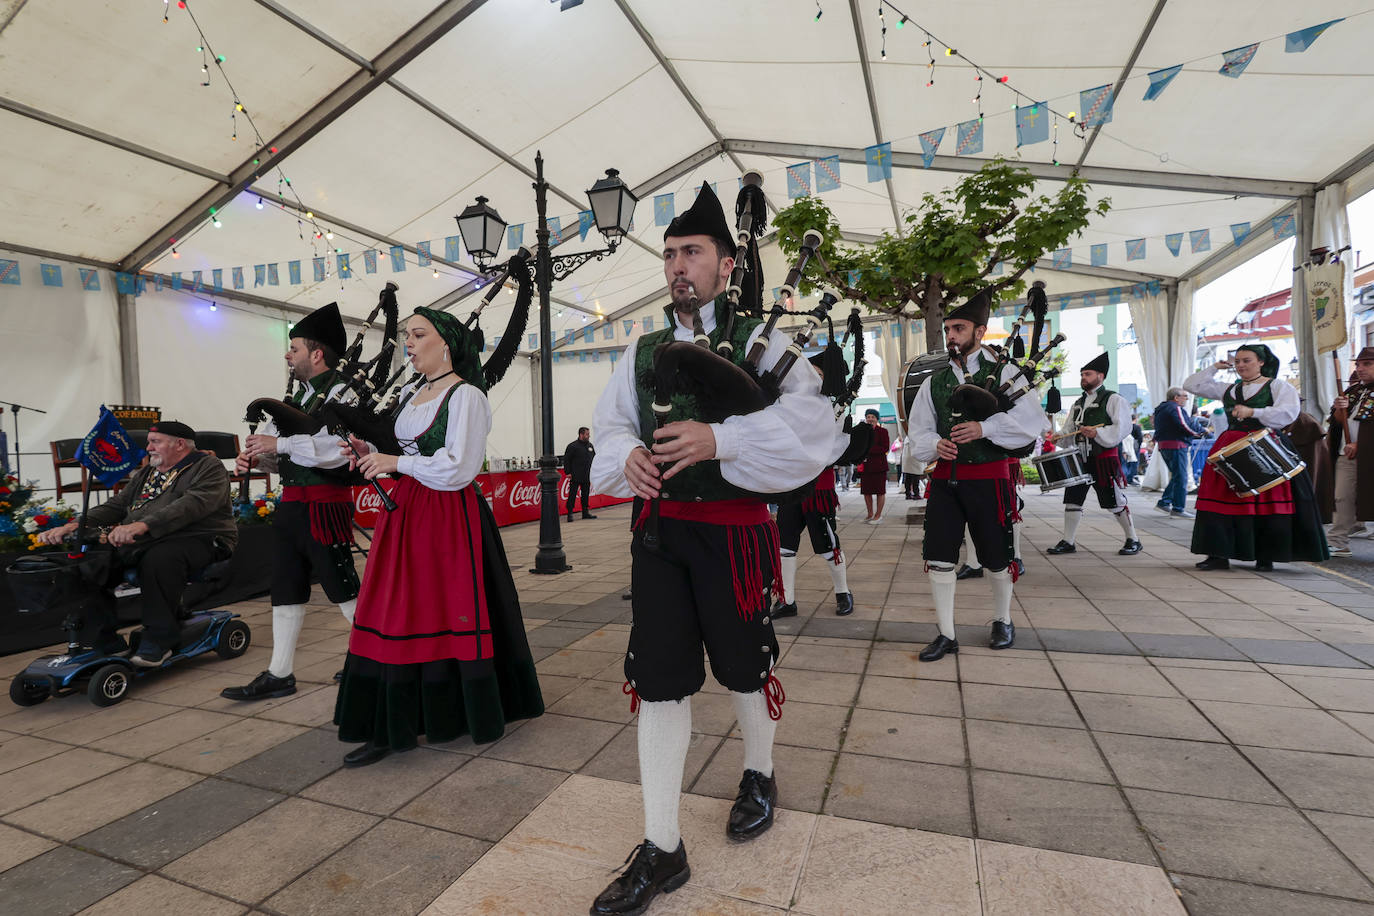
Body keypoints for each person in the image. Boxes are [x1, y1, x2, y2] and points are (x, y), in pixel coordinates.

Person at [588, 182, 842, 916]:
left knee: (741, 667)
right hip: (659, 535)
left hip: (734, 538)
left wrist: (721, 439)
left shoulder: (768, 347)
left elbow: (813, 434)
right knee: (660, 679)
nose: (677, 266)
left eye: (692, 252)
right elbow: (609, 427)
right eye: (669, 254)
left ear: (727, 266)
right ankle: (662, 847)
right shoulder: (640, 349)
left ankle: (759, 773)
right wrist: (627, 455)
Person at [333, 307, 544, 768]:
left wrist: (396, 464)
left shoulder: (466, 395)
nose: (408, 342)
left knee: (430, 610)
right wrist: (372, 452)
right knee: (395, 608)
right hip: (407, 513)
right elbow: (407, 450)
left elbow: (459, 467)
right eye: (407, 334)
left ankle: (424, 719)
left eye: (417, 334)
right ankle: (395, 719)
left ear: (445, 343)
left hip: (446, 516)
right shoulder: (413, 394)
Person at [222, 303, 361, 701]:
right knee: (285, 587)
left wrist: (278, 443)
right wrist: (259, 457)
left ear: (316, 353)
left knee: (342, 586)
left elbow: (340, 449)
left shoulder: (344, 393)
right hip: (292, 506)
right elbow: (284, 455)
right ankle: (280, 672)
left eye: (294, 347)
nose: (288, 354)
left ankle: (370, 659)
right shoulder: (296, 396)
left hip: (324, 506)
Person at [908, 291, 1044, 662]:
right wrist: (935, 444)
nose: (951, 335)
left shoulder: (1006, 373)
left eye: (959, 328)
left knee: (997, 556)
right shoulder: (932, 381)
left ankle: (1003, 620)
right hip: (945, 482)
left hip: (990, 479)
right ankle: (946, 633)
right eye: (948, 329)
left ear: (980, 331)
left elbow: (1033, 424)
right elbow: (917, 432)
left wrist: (985, 429)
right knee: (938, 556)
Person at [38, 421, 237, 665]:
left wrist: (143, 525)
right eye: (149, 442)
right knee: (92, 562)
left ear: (180, 444)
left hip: (203, 537)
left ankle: (160, 640)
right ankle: (103, 639)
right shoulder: (147, 472)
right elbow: (117, 506)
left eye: (156, 442)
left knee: (160, 559)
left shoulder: (208, 466)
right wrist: (76, 525)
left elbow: (193, 504)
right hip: (149, 538)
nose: (148, 447)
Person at [1184, 344, 1328, 571]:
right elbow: (1191, 385)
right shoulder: (1229, 389)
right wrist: (1214, 367)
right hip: (1229, 445)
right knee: (1220, 496)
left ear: (1261, 362)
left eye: (1247, 360)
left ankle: (1265, 555)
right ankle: (1218, 554)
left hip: (1266, 445)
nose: (1241, 365)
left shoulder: (1278, 387)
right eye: (1238, 361)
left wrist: (1254, 412)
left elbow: (1288, 413)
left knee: (1265, 499)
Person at [1046, 352, 1143, 557]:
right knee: (1072, 499)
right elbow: (1070, 429)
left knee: (1113, 499)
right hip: (1079, 458)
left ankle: (1133, 539)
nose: (1083, 378)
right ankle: (1068, 541)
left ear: (1101, 376)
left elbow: (1123, 427)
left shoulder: (1114, 399)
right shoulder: (1078, 403)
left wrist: (1098, 432)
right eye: (1082, 375)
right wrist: (1059, 437)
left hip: (1103, 459)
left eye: (1088, 374)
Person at [1326, 347, 1374, 558]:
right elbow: (1337, 422)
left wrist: (1360, 445)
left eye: (1367, 364)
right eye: (1358, 364)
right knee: (1341, 497)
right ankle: (1337, 541)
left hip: (1369, 455)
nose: (1360, 369)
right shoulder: (1352, 392)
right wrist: (1339, 409)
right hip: (1347, 455)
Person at [1151, 387, 1203, 519]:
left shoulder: (1161, 409)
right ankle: (1178, 508)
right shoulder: (1175, 408)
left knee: (1177, 476)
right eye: (1185, 396)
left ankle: (1164, 502)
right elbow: (1183, 425)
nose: (1186, 399)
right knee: (1181, 477)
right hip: (1176, 445)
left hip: (1164, 446)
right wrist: (1198, 433)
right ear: (1176, 397)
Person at [858, 408, 890, 523]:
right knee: (866, 491)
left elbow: (885, 447)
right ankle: (870, 514)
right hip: (866, 467)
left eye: (872, 417)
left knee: (880, 491)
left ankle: (878, 515)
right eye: (868, 417)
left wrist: (868, 450)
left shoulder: (883, 432)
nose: (870, 419)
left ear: (877, 419)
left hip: (879, 466)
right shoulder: (862, 432)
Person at [562, 426, 597, 521]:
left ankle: (585, 513)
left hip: (586, 475)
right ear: (581, 434)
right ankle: (570, 513)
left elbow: (594, 458)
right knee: (572, 494)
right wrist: (568, 472)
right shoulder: (572, 446)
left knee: (585, 494)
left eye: (589, 434)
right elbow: (566, 460)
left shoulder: (590, 446)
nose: (589, 436)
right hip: (575, 475)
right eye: (587, 434)